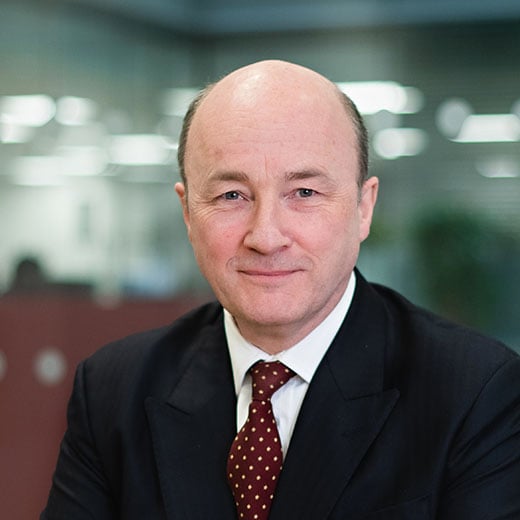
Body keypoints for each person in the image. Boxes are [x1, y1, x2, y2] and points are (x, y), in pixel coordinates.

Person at [42, 60, 520, 519]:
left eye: (304, 193)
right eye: (232, 195)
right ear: (188, 213)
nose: (266, 237)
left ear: (363, 208)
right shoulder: (113, 391)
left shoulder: (474, 393)